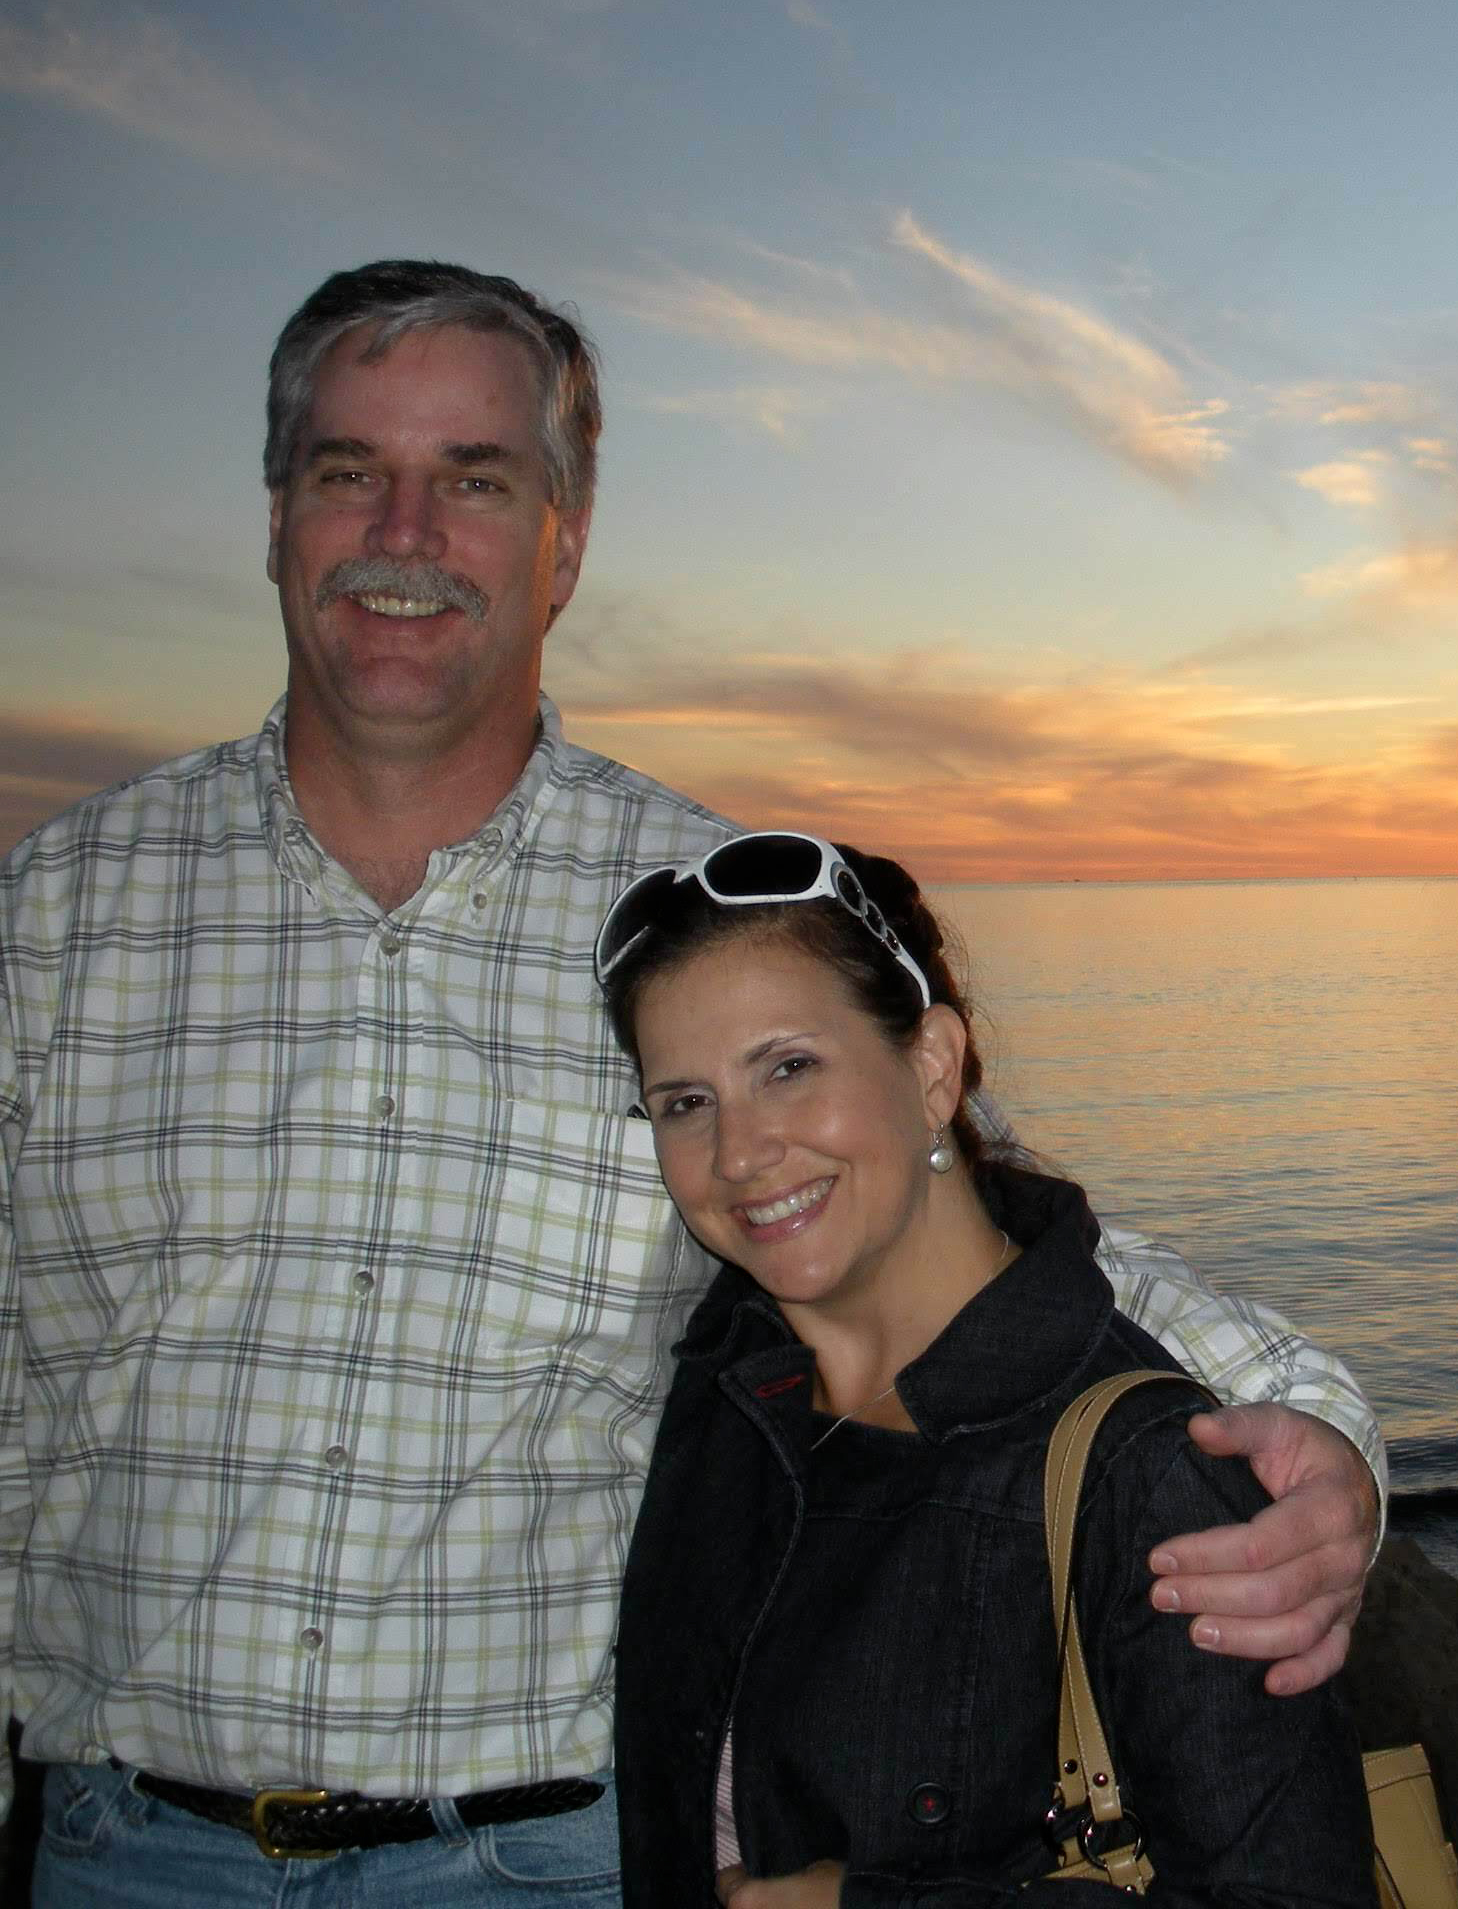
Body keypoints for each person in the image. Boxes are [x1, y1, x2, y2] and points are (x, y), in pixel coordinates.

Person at [0, 262, 1378, 1908]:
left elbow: (974, 1230)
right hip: (114, 1848)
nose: (406, 527)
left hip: (552, 1862)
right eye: (349, 467)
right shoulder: (57, 911)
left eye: (477, 479)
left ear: (563, 543)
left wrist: (1321, 1446)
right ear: (278, 513)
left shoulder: (699, 918)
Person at [598, 833, 1377, 1909]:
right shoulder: (729, 1388)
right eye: (686, 1102)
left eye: (789, 1068)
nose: (736, 1154)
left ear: (931, 1068)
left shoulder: (1142, 1474)